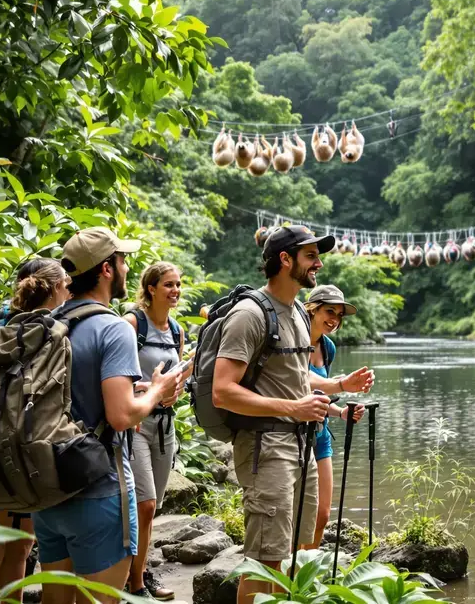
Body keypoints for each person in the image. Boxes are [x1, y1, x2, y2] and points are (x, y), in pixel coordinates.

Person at [211, 225, 367, 604]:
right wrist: (294, 408)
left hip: (301, 447)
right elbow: (222, 391)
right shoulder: (249, 315)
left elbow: (298, 378)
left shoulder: (298, 312)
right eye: (311, 255)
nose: (319, 262)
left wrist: (337, 388)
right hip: (266, 448)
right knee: (263, 560)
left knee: (293, 552)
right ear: (285, 259)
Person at [34, 228, 188, 604]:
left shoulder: (50, 323)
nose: (125, 267)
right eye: (122, 260)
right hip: (97, 489)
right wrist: (156, 391)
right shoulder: (114, 327)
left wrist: (135, 390)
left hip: (47, 486)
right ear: (106, 269)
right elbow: (121, 417)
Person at [0, 258, 71, 588]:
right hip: (22, 449)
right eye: (66, 284)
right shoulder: (46, 333)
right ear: (54, 288)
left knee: (8, 542)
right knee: (21, 544)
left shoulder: (3, 328)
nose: (70, 289)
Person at [122, 262, 186, 599]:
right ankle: (137, 582)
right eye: (168, 285)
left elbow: (177, 378)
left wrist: (177, 387)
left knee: (152, 506)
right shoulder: (133, 323)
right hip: (136, 424)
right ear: (150, 288)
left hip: (166, 425)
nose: (175, 291)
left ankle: (138, 568)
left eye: (178, 285)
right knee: (144, 504)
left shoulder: (176, 330)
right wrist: (152, 389)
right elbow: (118, 378)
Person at [301, 285, 374, 550]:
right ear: (313, 309)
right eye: (329, 311)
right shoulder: (294, 340)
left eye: (339, 314)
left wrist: (341, 412)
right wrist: (342, 383)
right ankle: (284, 574)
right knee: (297, 515)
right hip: (293, 434)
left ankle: (303, 575)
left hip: (320, 434)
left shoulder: (328, 347)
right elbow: (302, 382)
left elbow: (320, 392)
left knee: (322, 514)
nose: (334, 319)